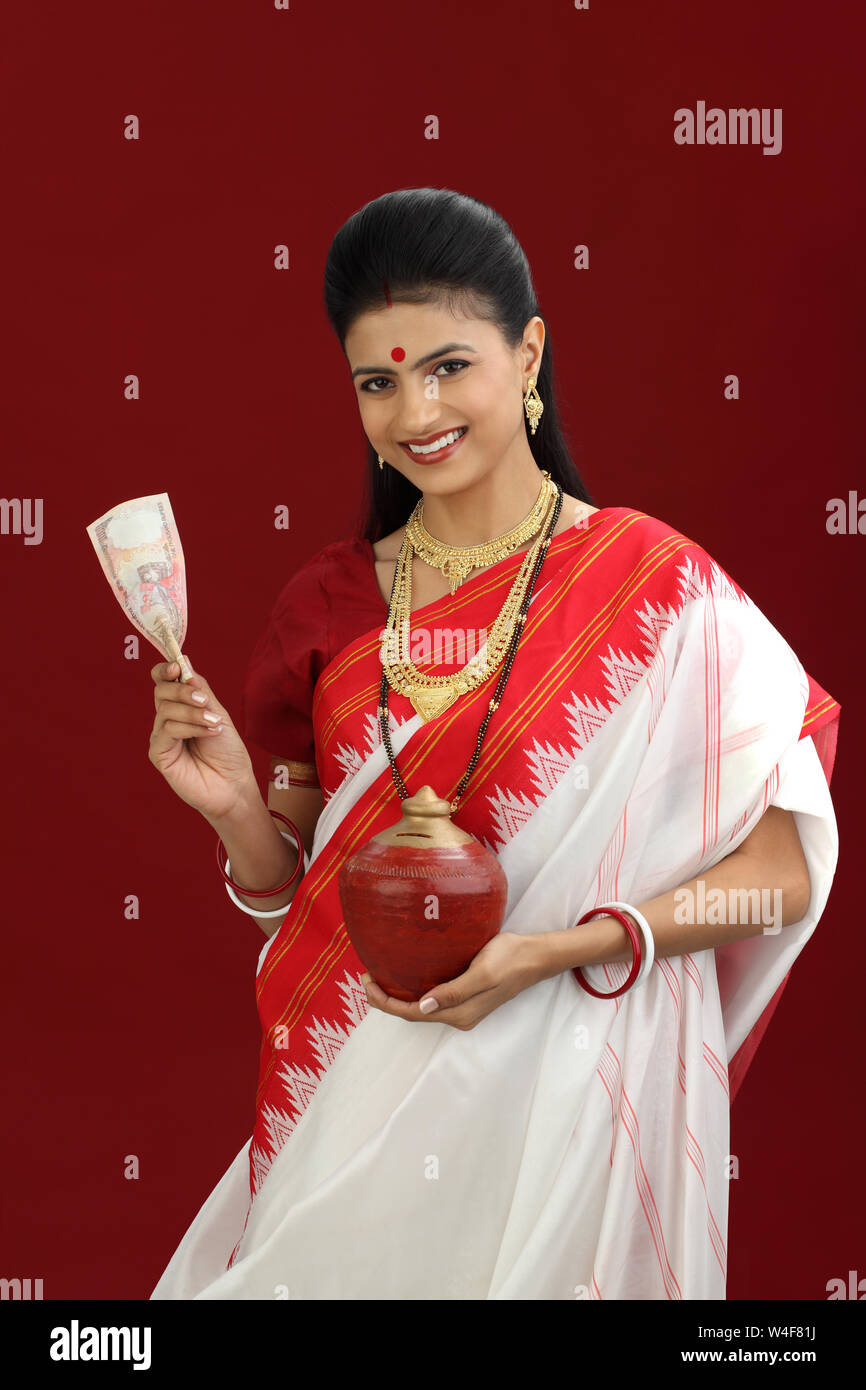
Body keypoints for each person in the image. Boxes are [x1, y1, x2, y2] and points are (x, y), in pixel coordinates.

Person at [148, 188, 840, 1300]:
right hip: (353, 1095)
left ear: (527, 355)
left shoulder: (658, 588)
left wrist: (562, 947)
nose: (413, 410)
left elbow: (781, 873)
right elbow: (296, 891)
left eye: (446, 367)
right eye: (377, 382)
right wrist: (235, 814)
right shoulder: (326, 603)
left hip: (568, 1099)